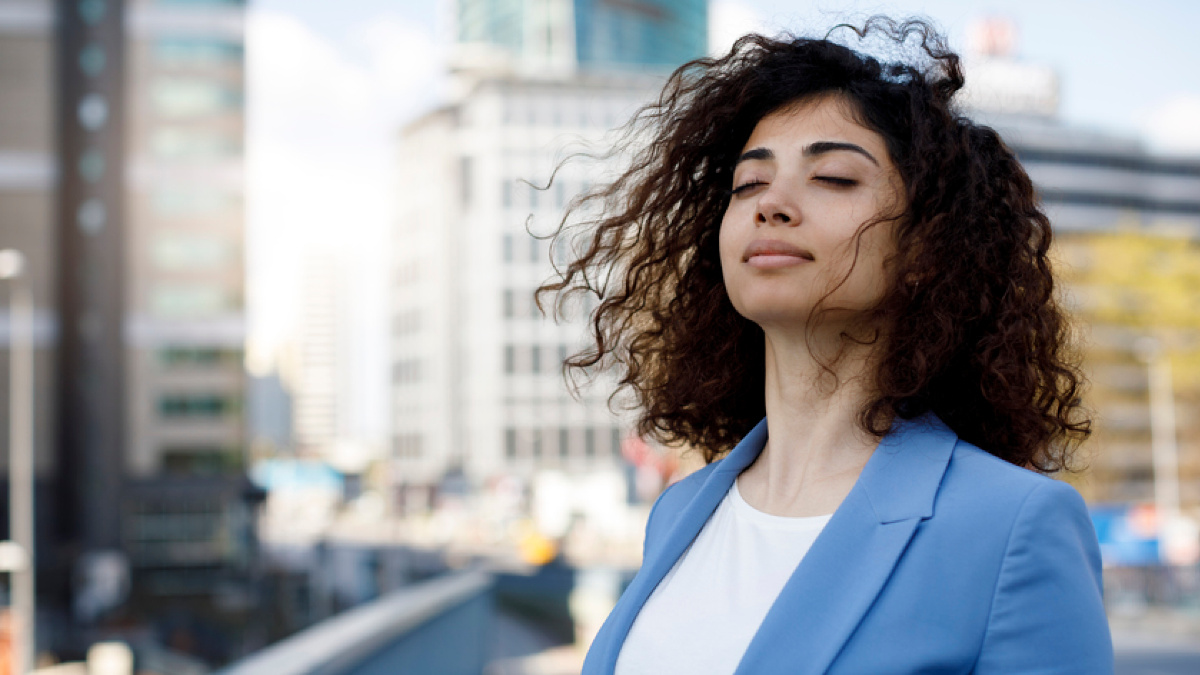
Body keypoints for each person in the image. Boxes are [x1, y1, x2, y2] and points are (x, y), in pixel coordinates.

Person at [537, 16, 1113, 675]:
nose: (771, 203)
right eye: (747, 184)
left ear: (927, 246)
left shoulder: (1015, 527)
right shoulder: (679, 511)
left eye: (833, 177)